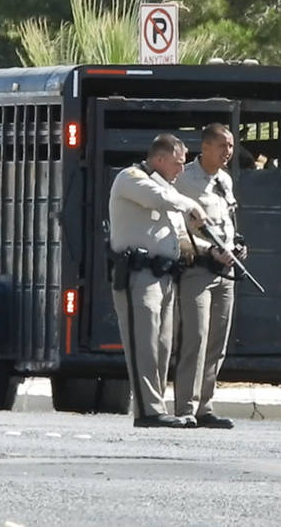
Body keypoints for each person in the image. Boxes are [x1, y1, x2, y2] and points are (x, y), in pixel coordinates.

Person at [108, 134, 208, 428]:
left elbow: (179, 237)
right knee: (144, 344)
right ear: (160, 159)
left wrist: (214, 250)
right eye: (178, 163)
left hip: (164, 276)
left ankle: (157, 406)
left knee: (163, 345)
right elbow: (159, 199)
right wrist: (190, 203)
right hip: (139, 275)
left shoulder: (168, 189)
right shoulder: (132, 178)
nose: (181, 170)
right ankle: (148, 412)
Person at [173, 123, 243, 429]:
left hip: (224, 270)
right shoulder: (185, 180)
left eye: (230, 146)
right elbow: (176, 226)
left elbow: (227, 222)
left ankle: (205, 406)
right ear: (205, 147)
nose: (228, 152)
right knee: (195, 338)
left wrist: (237, 246)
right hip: (197, 267)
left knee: (217, 341)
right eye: (222, 146)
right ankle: (185, 407)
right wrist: (207, 250)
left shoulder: (224, 181)